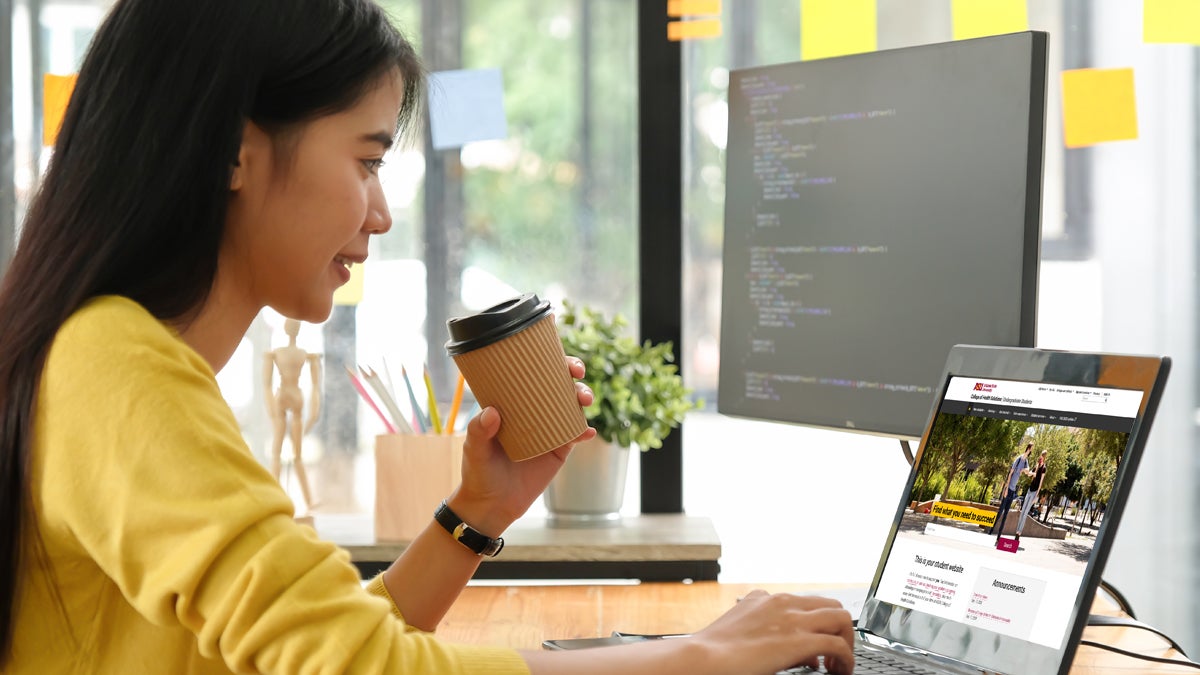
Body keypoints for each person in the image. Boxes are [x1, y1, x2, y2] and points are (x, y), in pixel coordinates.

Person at [0, 2, 854, 674]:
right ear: (235, 148)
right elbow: (366, 669)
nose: (382, 212)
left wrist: (475, 515)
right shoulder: (112, 367)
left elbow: (322, 648)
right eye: (367, 161)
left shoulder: (108, 356)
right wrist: (704, 654)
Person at [264, 319, 323, 513]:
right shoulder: (298, 355)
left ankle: (304, 501)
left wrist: (313, 414)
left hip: (288, 396)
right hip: (290, 395)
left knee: (287, 454)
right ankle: (278, 499)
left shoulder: (287, 354)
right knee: (282, 454)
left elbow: (316, 387)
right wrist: (273, 412)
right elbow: (316, 387)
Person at [991, 442, 1034, 541]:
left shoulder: (1026, 461)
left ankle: (998, 538)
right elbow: (1010, 474)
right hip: (1008, 489)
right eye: (1031, 448)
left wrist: (1026, 471)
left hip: (1013, 491)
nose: (1031, 450)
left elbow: (1027, 472)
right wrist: (1005, 489)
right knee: (1000, 512)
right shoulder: (1019, 459)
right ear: (1028, 448)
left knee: (1005, 515)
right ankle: (991, 530)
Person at [1014, 449, 1048, 541]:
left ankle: (1019, 532)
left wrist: (1036, 496)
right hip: (1029, 490)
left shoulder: (1044, 468)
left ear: (1044, 457)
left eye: (1043, 456)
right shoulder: (1037, 466)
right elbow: (1030, 475)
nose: (1041, 457)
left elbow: (1040, 483)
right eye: (1041, 455)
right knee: (1022, 510)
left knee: (1025, 513)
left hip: (1034, 493)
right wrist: (1025, 471)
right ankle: (1017, 531)